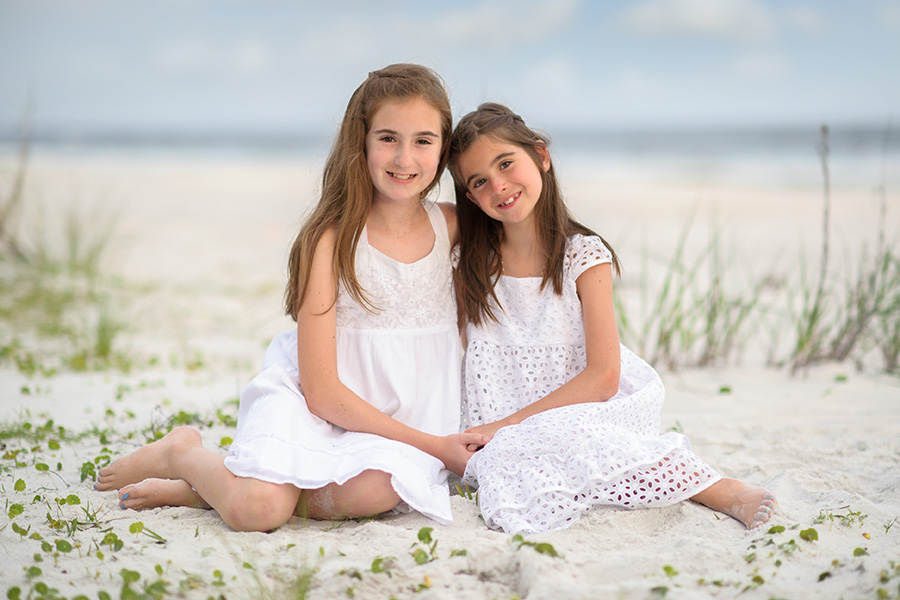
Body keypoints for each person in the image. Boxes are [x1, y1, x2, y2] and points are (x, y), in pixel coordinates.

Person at [95, 64, 488, 532]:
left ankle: (215, 489)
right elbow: (321, 392)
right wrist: (433, 445)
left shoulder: (453, 227)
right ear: (359, 142)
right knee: (255, 512)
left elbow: (529, 247)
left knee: (383, 487)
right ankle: (185, 453)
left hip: (406, 429)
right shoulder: (331, 238)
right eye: (388, 138)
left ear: (444, 149)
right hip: (319, 407)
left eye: (423, 140)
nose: (405, 158)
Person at [447, 102, 776, 535]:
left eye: (507, 163)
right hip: (497, 409)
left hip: (580, 403)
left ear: (540, 157)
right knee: (502, 463)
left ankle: (717, 488)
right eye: (480, 182)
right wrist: (489, 426)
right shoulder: (467, 263)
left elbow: (603, 377)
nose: (499, 186)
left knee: (584, 441)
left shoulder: (583, 255)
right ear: (470, 198)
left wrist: (505, 426)